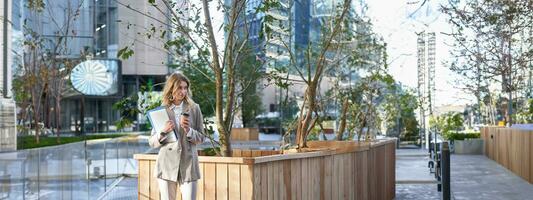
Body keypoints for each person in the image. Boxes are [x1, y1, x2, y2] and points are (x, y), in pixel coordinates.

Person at [148, 72, 205, 200]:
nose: (183, 91)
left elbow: (201, 137)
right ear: (171, 88)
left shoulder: (195, 108)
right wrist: (163, 131)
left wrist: (188, 130)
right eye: (179, 87)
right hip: (166, 164)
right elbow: (152, 142)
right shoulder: (161, 110)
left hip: (189, 164)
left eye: (185, 88)